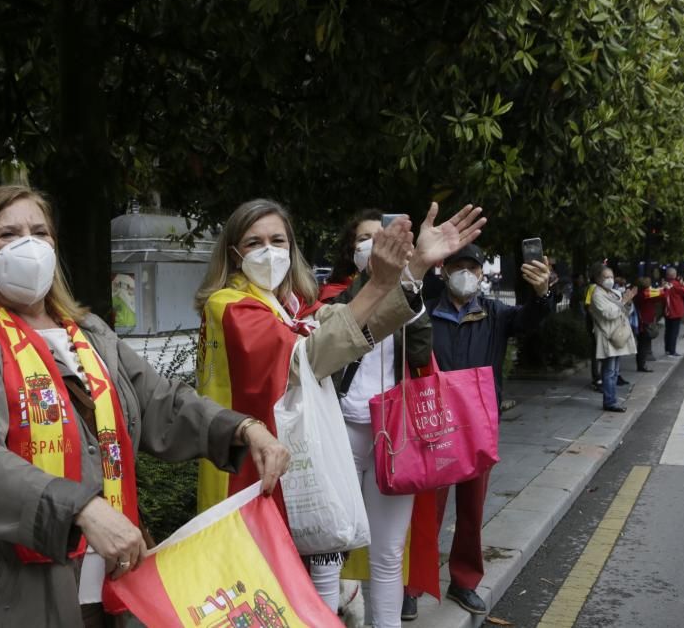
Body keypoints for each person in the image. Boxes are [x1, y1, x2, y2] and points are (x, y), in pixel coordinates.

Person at [0, 185, 290, 628]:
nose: (28, 245)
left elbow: (159, 401)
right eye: (7, 235)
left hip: (108, 587)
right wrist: (80, 509)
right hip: (7, 596)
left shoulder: (87, 333)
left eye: (39, 232)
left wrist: (243, 429)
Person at [194, 199, 485, 613]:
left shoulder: (288, 306)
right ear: (233, 252)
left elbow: (351, 324)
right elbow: (315, 355)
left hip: (301, 452)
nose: (268, 251)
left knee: (351, 559)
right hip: (247, 468)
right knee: (290, 575)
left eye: (278, 240)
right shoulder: (229, 304)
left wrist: (415, 267)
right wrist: (382, 281)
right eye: (254, 242)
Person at [405, 243, 553, 618]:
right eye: (459, 266)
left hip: (477, 428)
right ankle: (412, 584)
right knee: (425, 509)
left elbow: (531, 320)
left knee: (471, 510)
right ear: (444, 270)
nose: (466, 273)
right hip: (433, 426)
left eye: (473, 267)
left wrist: (543, 293)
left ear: (481, 274)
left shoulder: (494, 314)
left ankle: (464, 581)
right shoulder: (424, 313)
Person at [319, 209, 434, 628]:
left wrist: (409, 284)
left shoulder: (410, 299)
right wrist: (381, 283)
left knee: (387, 554)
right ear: (354, 252)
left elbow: (420, 355)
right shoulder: (335, 300)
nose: (374, 243)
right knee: (328, 547)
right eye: (365, 239)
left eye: (382, 236)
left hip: (394, 437)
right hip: (341, 434)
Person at [590, 267, 637, 412]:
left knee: (615, 371)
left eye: (611, 276)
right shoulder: (597, 294)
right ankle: (610, 402)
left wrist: (628, 302)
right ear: (598, 279)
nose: (610, 280)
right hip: (608, 336)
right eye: (606, 277)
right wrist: (624, 300)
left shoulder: (611, 293)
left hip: (617, 335)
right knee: (609, 371)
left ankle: (612, 399)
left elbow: (625, 311)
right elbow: (608, 314)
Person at [633, 277, 664, 373]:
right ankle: (642, 365)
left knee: (642, 344)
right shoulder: (645, 294)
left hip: (641, 322)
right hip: (645, 322)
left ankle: (641, 364)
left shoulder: (639, 294)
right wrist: (664, 288)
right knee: (643, 345)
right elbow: (662, 295)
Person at [662, 267, 684, 356]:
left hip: (667, 310)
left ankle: (667, 349)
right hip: (676, 310)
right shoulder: (676, 284)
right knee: (674, 331)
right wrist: (682, 284)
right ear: (674, 275)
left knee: (668, 330)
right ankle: (672, 350)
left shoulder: (665, 284)